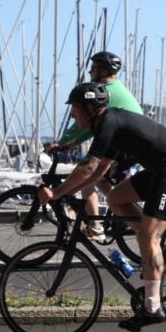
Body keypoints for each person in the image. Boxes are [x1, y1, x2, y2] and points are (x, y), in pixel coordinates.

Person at [38, 82, 166, 332]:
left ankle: (152, 307)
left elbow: (89, 167)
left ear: (90, 108)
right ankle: (154, 248)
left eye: (75, 109)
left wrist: (57, 192)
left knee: (147, 233)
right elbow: (97, 172)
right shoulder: (107, 125)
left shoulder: (108, 123)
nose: (72, 114)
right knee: (116, 198)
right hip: (161, 169)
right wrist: (71, 191)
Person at [45, 52, 143, 239]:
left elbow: (84, 123)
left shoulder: (105, 92)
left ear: (102, 70)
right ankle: (102, 220)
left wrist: (64, 142)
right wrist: (71, 143)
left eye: (92, 68)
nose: (89, 72)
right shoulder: (111, 88)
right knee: (91, 176)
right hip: (125, 144)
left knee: (89, 174)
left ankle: (100, 225)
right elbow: (93, 125)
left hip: (128, 147)